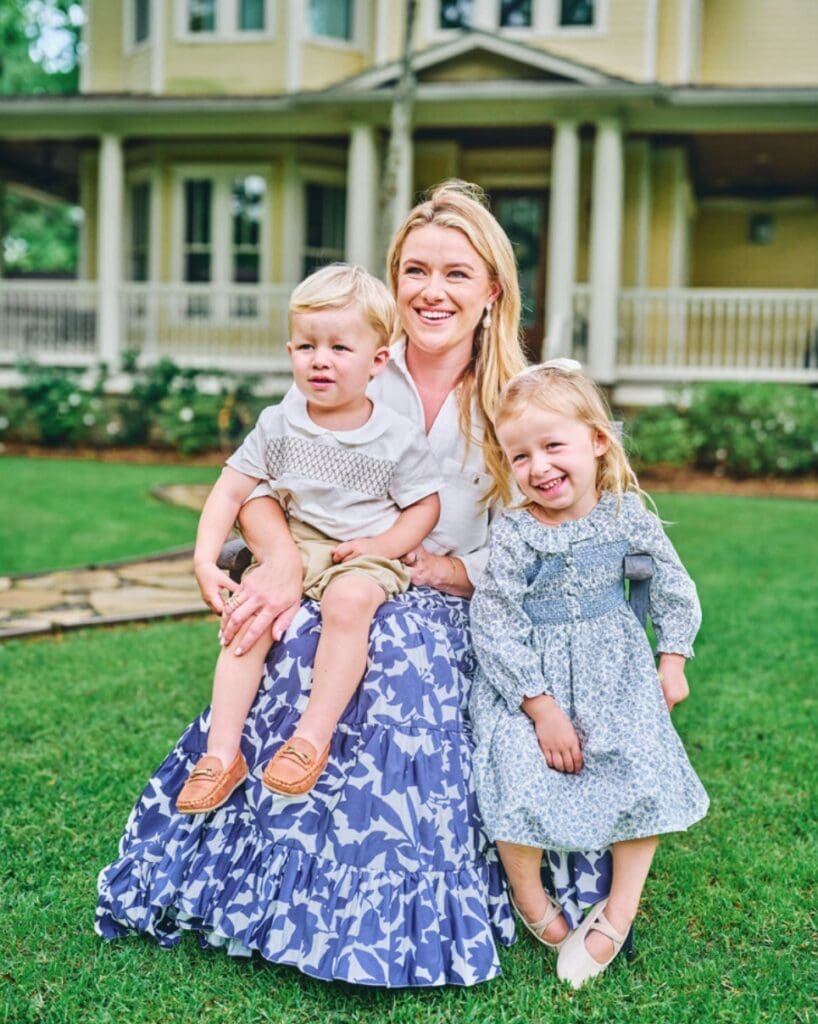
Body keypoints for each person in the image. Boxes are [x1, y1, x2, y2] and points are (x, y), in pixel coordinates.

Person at [96, 181, 611, 987]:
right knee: (282, 632)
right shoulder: (349, 357)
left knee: (399, 666)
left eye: (456, 273)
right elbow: (264, 480)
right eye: (414, 270)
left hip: (467, 602)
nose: (431, 291)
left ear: (492, 291)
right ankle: (266, 882)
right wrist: (276, 558)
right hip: (336, 572)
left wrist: (457, 570)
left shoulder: (522, 395)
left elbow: (562, 529)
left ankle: (389, 910)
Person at [468, 359, 709, 989]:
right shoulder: (518, 531)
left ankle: (617, 913)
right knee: (514, 771)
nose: (538, 467)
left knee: (641, 764)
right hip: (532, 681)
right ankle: (531, 898)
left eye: (553, 446)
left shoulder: (627, 515)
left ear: (597, 441)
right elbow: (495, 620)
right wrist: (539, 707)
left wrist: (673, 657)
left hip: (616, 671)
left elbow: (673, 587)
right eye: (520, 456)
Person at [175, 264, 441, 812]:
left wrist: (384, 546)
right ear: (290, 349)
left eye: (341, 348)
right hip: (295, 545)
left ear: (377, 360)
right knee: (250, 619)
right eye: (306, 346)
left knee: (349, 603)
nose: (321, 359)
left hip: (362, 553)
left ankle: (310, 739)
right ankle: (221, 755)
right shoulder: (278, 423)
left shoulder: (395, 437)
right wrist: (205, 558)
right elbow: (229, 492)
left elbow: (425, 507)